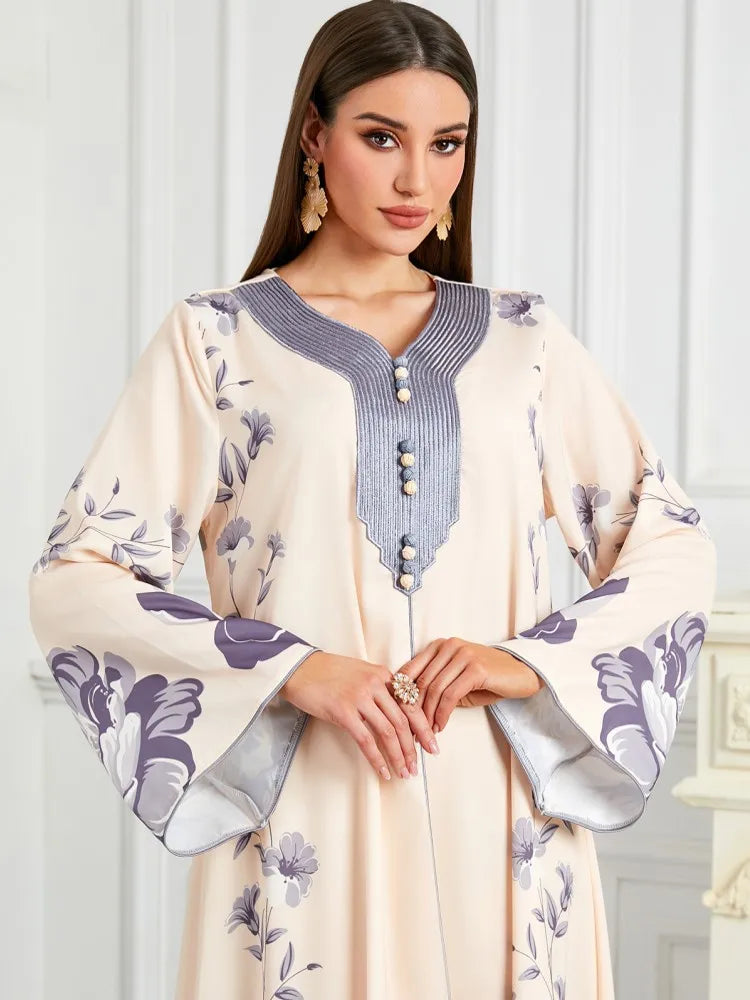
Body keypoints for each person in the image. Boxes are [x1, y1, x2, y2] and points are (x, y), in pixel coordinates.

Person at [27, 2, 717, 997]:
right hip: (308, 808)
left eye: (447, 144)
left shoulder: (523, 341)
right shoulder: (214, 341)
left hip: (502, 813)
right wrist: (290, 668)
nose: (416, 181)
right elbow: (76, 577)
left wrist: (524, 662)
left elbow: (672, 544)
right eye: (381, 137)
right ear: (315, 136)